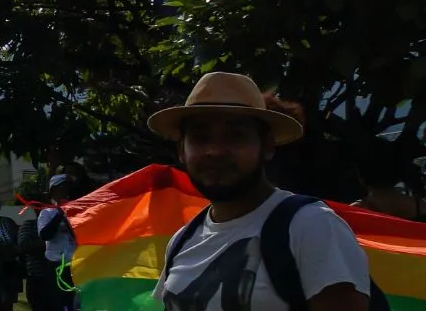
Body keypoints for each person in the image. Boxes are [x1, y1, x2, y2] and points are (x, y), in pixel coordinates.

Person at [149, 72, 372, 311]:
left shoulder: (312, 226)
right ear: (181, 151)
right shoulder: (182, 240)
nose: (215, 151)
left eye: (235, 136)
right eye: (200, 138)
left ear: (266, 146)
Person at [25, 176, 79, 311]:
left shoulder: (75, 212)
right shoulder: (46, 213)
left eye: (67, 187)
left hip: (75, 263)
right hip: (56, 265)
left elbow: (80, 236)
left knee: (76, 301)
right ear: (54, 190)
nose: (66, 190)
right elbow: (45, 235)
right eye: (63, 187)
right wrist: (60, 213)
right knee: (60, 302)